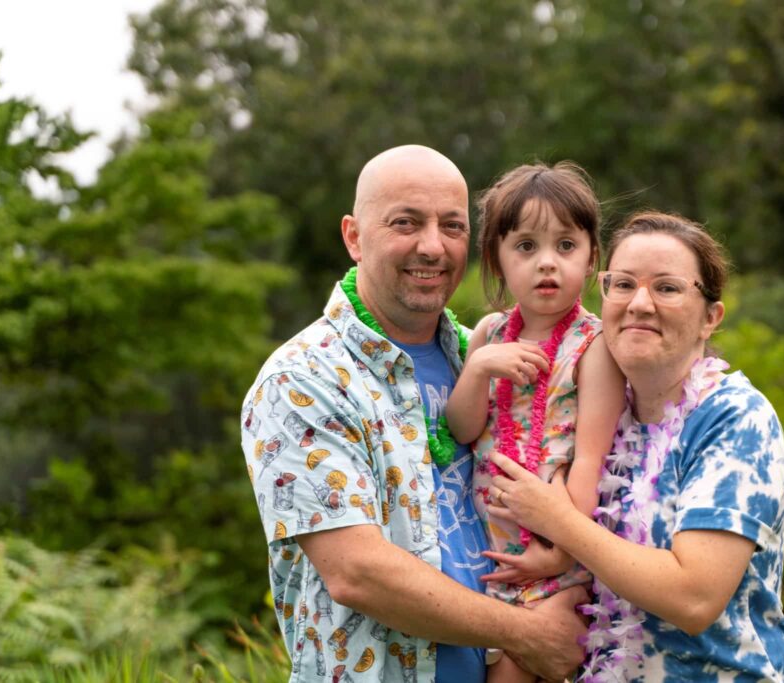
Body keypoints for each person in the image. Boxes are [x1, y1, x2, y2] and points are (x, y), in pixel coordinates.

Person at [240, 145, 588, 683]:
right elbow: (357, 573)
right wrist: (524, 633)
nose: (432, 246)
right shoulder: (303, 380)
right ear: (354, 236)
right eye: (406, 223)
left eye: (452, 226)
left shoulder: (487, 357)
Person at [485, 211, 784, 681]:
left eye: (667, 288)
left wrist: (561, 525)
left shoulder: (735, 418)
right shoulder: (598, 417)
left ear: (710, 318)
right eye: (624, 284)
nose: (640, 304)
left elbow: (694, 597)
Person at [445, 163, 625, 682]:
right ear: (498, 260)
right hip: (493, 555)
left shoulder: (594, 347)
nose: (547, 263)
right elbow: (462, 429)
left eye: (565, 246)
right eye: (526, 246)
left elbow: (590, 462)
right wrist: (477, 368)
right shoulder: (488, 333)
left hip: (559, 555)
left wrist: (558, 553)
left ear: (592, 256)